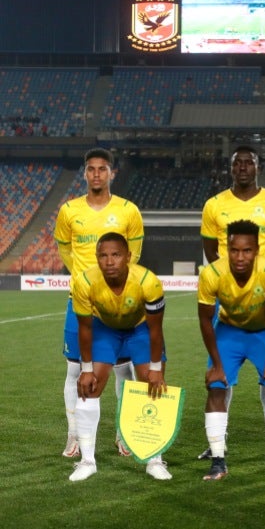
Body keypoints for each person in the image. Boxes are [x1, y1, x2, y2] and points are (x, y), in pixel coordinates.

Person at [199, 145, 265, 461]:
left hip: (264, 300)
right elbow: (210, 248)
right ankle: (217, 442)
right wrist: (230, 277)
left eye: (248, 162)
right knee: (219, 378)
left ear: (257, 167)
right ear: (231, 168)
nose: (242, 167)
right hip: (231, 308)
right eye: (237, 163)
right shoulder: (213, 205)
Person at [54, 147, 144, 459]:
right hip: (80, 304)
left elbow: (135, 254)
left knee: (124, 371)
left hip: (118, 304)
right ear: (85, 173)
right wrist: (83, 279)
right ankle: (74, 436)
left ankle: (124, 435)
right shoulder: (68, 211)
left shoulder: (128, 211)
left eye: (102, 169)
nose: (96, 174)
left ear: (112, 173)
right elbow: (65, 251)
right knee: (75, 371)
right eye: (91, 168)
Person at [67, 232, 170, 482]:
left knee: (153, 386)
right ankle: (87, 461)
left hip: (141, 330)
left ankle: (154, 460)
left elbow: (156, 330)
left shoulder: (148, 281)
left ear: (128, 257)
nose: (109, 261)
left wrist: (156, 367)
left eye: (115, 255)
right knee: (89, 387)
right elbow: (85, 327)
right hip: (105, 330)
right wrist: (87, 368)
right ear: (96, 258)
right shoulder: (83, 282)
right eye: (103, 255)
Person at [198, 220, 265, 482]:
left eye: (247, 251)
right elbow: (206, 320)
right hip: (229, 331)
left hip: (264, 332)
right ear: (226, 248)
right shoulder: (211, 274)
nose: (240, 257)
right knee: (216, 386)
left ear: (257, 250)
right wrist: (216, 365)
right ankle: (218, 462)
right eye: (234, 250)